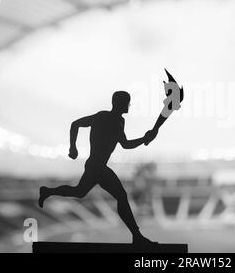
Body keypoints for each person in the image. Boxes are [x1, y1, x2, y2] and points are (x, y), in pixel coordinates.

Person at [38, 91, 158, 245]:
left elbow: (126, 144)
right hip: (96, 165)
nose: (129, 105)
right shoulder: (102, 116)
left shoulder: (120, 121)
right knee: (121, 196)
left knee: (80, 192)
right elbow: (76, 124)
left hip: (98, 166)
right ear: (120, 103)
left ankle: (47, 191)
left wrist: (144, 139)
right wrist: (72, 148)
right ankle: (137, 237)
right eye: (128, 102)